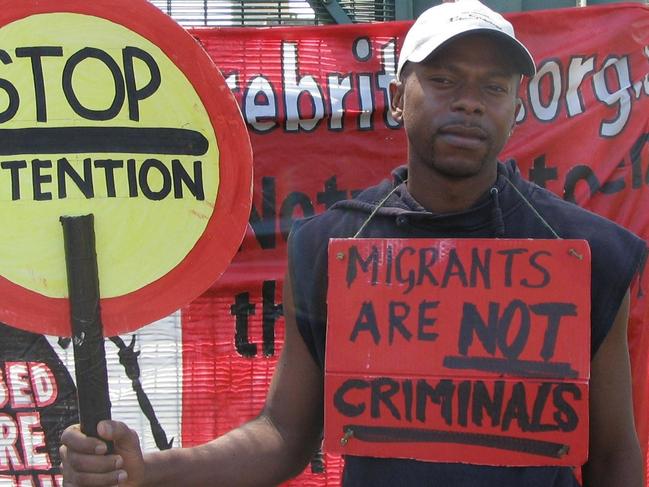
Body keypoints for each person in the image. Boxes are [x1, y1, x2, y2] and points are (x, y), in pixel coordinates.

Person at [60, 1, 646, 486]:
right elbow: (284, 434)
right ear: (397, 97)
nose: (469, 102)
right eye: (442, 80)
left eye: (493, 87)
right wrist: (148, 471)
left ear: (516, 110)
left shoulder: (582, 253)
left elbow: (614, 453)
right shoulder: (331, 246)